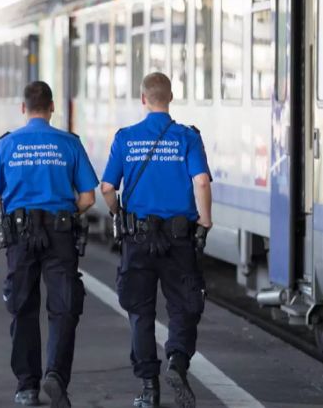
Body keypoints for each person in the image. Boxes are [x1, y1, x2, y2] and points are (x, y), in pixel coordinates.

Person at [101, 72, 213, 408]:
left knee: (141, 311)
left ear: (143, 99)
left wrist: (117, 213)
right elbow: (202, 182)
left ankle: (149, 387)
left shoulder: (126, 138)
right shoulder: (187, 137)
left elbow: (107, 188)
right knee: (183, 306)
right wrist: (204, 222)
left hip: (138, 239)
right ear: (171, 97)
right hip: (179, 238)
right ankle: (177, 361)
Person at [0, 81, 98, 408]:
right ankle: (57, 376)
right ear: (52, 108)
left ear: (23, 108)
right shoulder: (68, 143)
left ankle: (26, 387)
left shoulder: (8, 144)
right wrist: (63, 213)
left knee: (22, 307)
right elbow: (88, 197)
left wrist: (19, 209)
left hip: (20, 236)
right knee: (63, 306)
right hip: (61, 235)